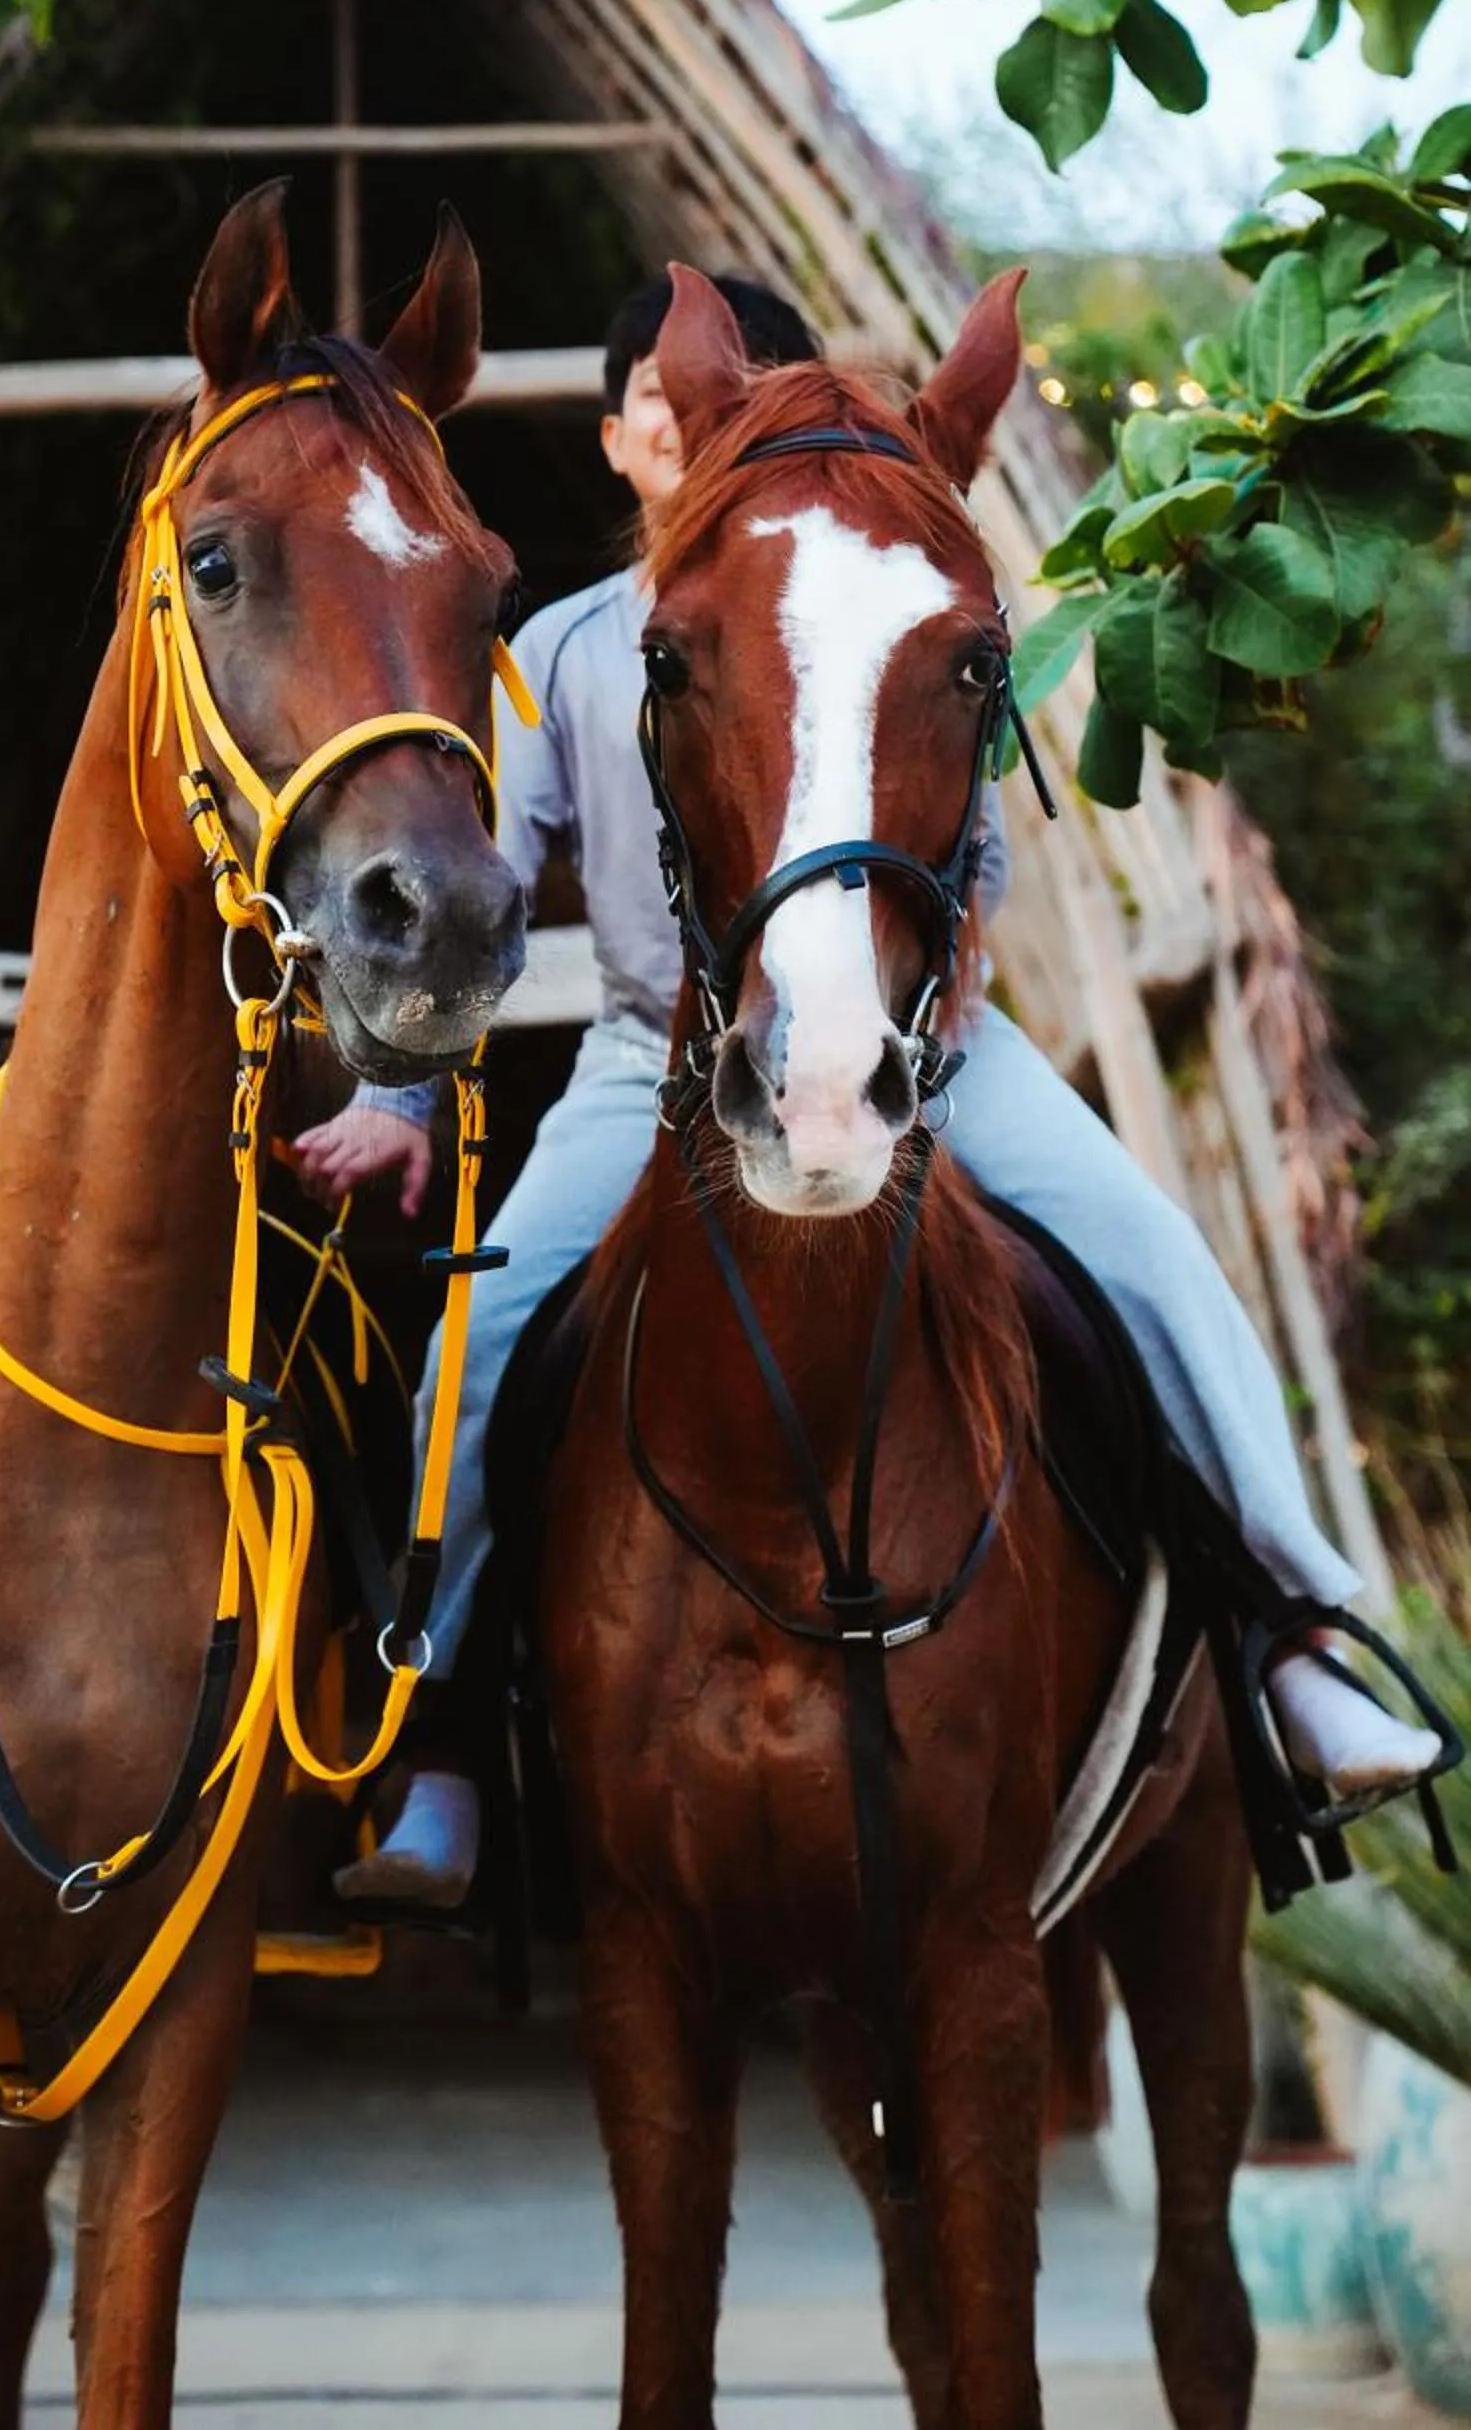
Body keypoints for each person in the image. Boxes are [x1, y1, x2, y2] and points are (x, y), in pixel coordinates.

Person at [297, 273, 1441, 1911]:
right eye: (677, 406)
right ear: (633, 433)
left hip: (925, 1036)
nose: (710, 425)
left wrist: (908, 1024)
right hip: (650, 1058)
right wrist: (401, 1104)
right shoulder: (559, 654)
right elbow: (478, 885)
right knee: (479, 1354)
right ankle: (449, 1729)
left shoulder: (878, 596)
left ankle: (1295, 1632)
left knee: (1154, 1259)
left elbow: (968, 862)